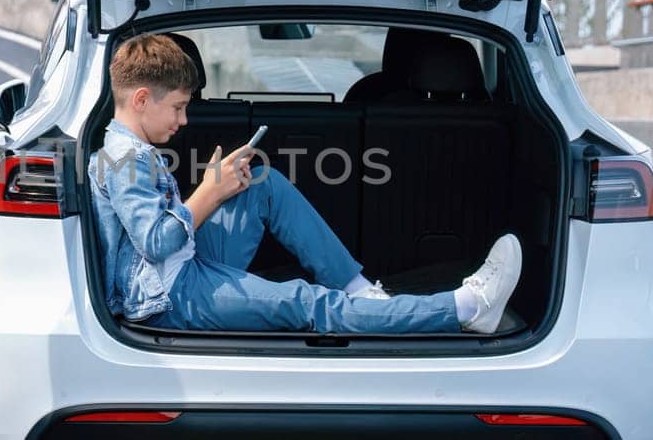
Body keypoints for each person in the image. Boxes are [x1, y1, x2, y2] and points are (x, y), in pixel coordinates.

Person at [88, 33, 522, 334]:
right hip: (171, 298)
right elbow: (155, 242)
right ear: (142, 99)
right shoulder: (124, 161)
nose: (185, 120)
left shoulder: (133, 151)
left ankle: (362, 293)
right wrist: (209, 191)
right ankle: (465, 308)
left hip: (183, 268)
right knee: (305, 302)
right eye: (179, 107)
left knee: (261, 181)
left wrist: (222, 188)